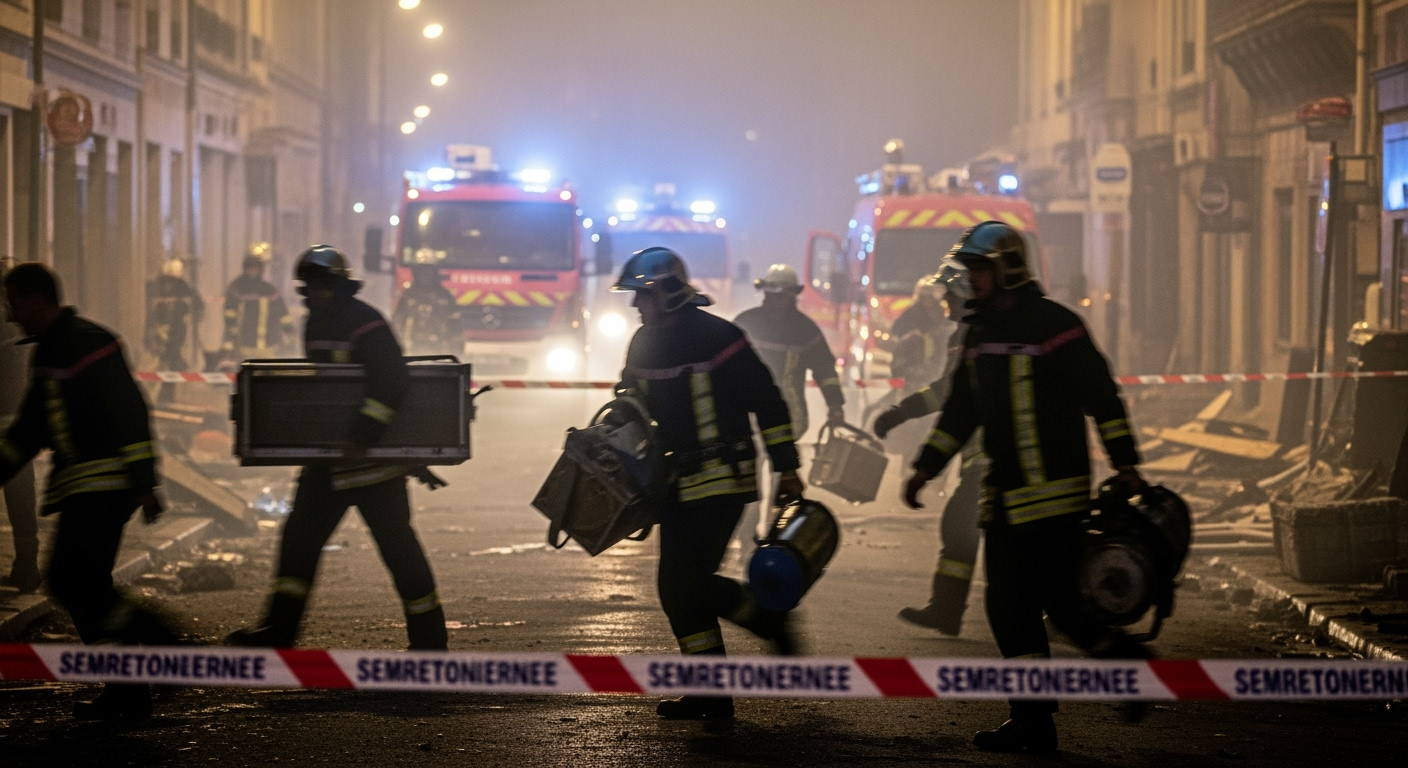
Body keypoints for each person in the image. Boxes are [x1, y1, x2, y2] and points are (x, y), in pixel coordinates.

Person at [900, 222, 1148, 755]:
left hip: (1055, 497)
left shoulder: (1057, 326)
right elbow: (961, 411)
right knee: (1008, 609)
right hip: (1005, 497)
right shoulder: (975, 335)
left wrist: (1126, 464)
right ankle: (1034, 720)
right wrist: (926, 466)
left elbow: (1102, 397)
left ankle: (1122, 666)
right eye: (970, 269)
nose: (972, 279)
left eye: (981, 269)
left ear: (1009, 268)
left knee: (1059, 605)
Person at [612, 247, 804, 721]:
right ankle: (715, 685)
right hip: (676, 485)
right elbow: (627, 406)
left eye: (643, 296)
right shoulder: (642, 344)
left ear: (669, 294)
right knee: (679, 588)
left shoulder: (722, 337)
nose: (636, 305)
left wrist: (787, 466)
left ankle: (759, 628)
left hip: (723, 480)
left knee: (683, 584)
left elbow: (768, 400)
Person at [229, 246, 448, 651]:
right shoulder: (317, 321)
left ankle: (431, 645)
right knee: (297, 545)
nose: (311, 292)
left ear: (338, 285)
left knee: (400, 553)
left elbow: (392, 382)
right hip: (328, 466)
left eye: (319, 284)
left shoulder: (364, 321)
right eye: (307, 285)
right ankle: (278, 632)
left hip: (372, 467)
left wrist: (361, 437)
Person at [0, 263, 177, 720]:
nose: (11, 315)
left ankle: (155, 643)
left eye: (16, 304)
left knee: (72, 580)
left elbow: (130, 411)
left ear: (38, 299)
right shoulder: (53, 350)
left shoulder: (87, 343)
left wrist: (144, 483)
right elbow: (31, 427)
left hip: (107, 485)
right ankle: (128, 690)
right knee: (82, 585)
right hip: (88, 486)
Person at [872, 257, 983, 636]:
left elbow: (952, 399)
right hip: (985, 458)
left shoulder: (974, 335)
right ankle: (948, 610)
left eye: (949, 295)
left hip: (996, 459)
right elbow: (948, 392)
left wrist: (923, 464)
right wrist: (902, 412)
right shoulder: (964, 334)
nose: (944, 304)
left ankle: (949, 610)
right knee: (963, 528)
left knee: (967, 527)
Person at [732, 263, 844, 551]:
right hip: (747, 413)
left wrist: (835, 404)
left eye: (781, 296)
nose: (775, 302)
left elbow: (825, 369)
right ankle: (748, 525)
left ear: (793, 296)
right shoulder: (746, 323)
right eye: (771, 295)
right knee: (752, 470)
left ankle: (770, 529)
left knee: (778, 471)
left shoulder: (805, 331)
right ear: (763, 294)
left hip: (790, 416)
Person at [0, 261, 39, 592]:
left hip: (9, 419)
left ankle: (26, 564)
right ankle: (27, 564)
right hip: (16, 420)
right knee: (21, 496)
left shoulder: (11, 313)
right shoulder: (17, 316)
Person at [221, 243, 293, 363]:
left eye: (257, 267)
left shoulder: (269, 289)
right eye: (251, 267)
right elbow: (230, 312)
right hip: (246, 344)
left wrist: (288, 330)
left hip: (270, 345)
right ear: (246, 267)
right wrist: (231, 330)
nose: (254, 270)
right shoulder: (237, 288)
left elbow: (282, 312)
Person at [144, 258, 203, 402]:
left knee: (164, 363)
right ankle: (163, 398)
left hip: (160, 333)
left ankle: (159, 397)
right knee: (169, 364)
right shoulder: (180, 285)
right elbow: (198, 303)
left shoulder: (155, 284)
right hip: (172, 333)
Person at [392, 264, 462, 356]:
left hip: (439, 340)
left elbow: (454, 318)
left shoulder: (444, 295)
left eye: (428, 273)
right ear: (416, 274)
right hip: (413, 339)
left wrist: (454, 340)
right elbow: (399, 317)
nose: (425, 276)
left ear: (434, 274)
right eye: (422, 272)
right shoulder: (409, 294)